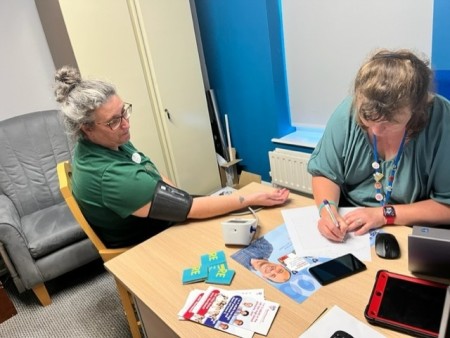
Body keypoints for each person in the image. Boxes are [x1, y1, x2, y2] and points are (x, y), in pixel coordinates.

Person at [54, 66, 289, 248]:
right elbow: (188, 208)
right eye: (114, 121)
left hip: (160, 218)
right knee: (239, 233)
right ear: (86, 127)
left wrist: (177, 199)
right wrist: (249, 198)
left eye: (123, 112)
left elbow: (150, 172)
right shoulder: (109, 175)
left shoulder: (103, 143)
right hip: (146, 243)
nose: (126, 124)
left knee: (232, 215)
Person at [307, 48, 450, 242]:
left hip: (410, 229)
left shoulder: (442, 121)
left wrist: (384, 214)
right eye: (367, 118)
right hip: (352, 225)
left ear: (417, 110)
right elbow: (325, 173)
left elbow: (446, 206)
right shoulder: (348, 110)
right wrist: (327, 211)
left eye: (390, 123)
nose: (375, 131)